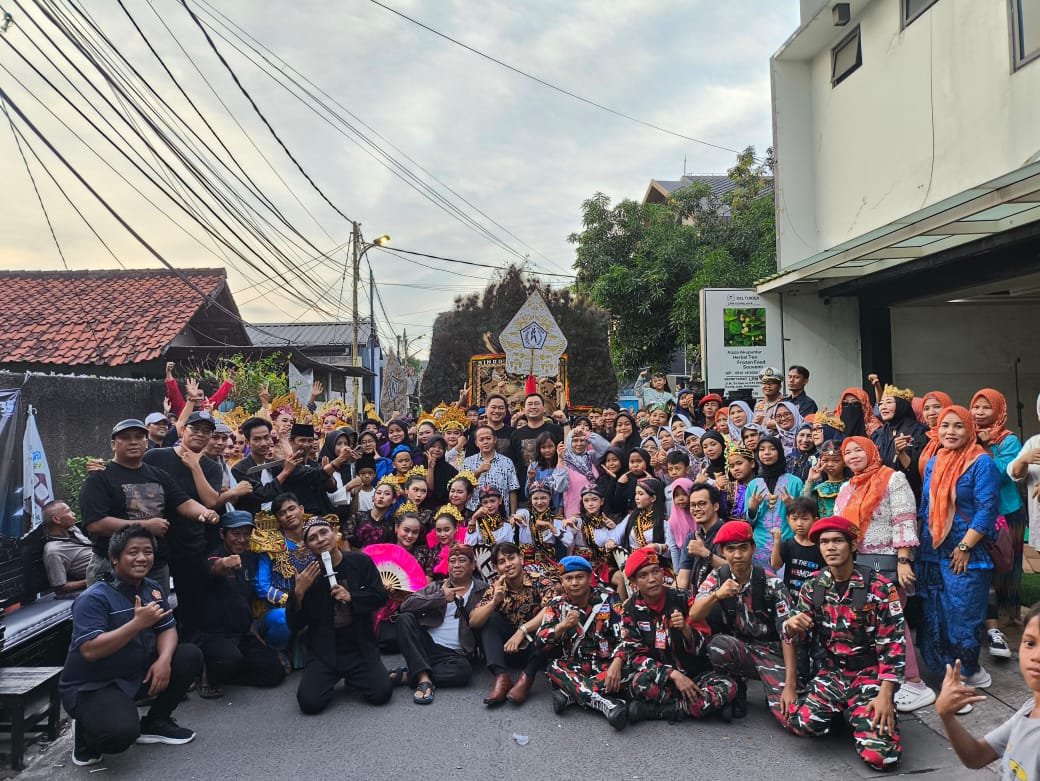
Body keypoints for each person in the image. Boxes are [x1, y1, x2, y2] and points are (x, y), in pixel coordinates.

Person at [60, 524, 202, 767]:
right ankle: (86, 732)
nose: (142, 558)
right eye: (133, 552)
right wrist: (137, 624)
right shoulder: (93, 598)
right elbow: (90, 650)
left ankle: (156, 722)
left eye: (147, 552)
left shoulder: (153, 589)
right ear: (114, 559)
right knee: (120, 736)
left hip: (135, 673)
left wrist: (164, 661)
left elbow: (166, 627)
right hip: (94, 686)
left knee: (189, 655)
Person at [784, 516, 905, 773]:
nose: (830, 547)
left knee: (882, 759)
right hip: (832, 673)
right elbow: (798, 635)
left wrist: (886, 695)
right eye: (824, 542)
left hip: (869, 675)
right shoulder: (813, 586)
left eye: (838, 541)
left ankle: (876, 716)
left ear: (852, 545)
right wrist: (792, 626)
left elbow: (894, 646)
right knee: (800, 724)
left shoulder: (879, 588)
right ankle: (845, 711)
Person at [833, 435, 933, 712]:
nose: (853, 456)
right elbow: (840, 526)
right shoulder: (847, 487)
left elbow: (904, 519)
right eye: (847, 452)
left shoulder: (892, 478)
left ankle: (915, 683)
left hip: (889, 560)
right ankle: (890, 678)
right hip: (860, 562)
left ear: (871, 451)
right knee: (875, 622)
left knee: (894, 621)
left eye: (858, 450)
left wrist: (904, 560)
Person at [79, 418, 219, 591]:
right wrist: (145, 526)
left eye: (139, 437)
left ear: (147, 442)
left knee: (158, 615)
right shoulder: (99, 478)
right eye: (126, 438)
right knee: (115, 616)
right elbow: (96, 524)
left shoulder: (158, 475)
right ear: (114, 444)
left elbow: (184, 502)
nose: (133, 442)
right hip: (112, 565)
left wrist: (205, 513)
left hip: (155, 566)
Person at [917, 405, 1000, 694]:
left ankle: (965, 675)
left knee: (962, 614)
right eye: (944, 426)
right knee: (936, 613)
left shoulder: (981, 462)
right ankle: (944, 673)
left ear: (970, 429)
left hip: (965, 553)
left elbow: (987, 509)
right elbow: (926, 507)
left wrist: (965, 546)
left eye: (958, 426)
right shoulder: (934, 460)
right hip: (933, 551)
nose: (950, 432)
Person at [690, 520, 798, 722]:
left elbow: (788, 636)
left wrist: (790, 686)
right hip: (741, 648)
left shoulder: (772, 583)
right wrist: (717, 595)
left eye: (743, 548)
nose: (737, 555)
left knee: (791, 718)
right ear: (722, 551)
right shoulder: (718, 578)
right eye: (730, 549)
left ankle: (779, 686)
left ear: (753, 548)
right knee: (718, 646)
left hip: (772, 651)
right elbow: (694, 615)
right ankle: (736, 687)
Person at [615, 546, 738, 723]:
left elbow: (705, 645)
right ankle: (699, 706)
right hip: (663, 679)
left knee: (729, 686)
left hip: (695, 674)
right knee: (637, 684)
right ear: (634, 582)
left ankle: (660, 710)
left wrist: (687, 631)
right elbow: (635, 656)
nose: (652, 579)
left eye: (655, 572)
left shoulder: (683, 598)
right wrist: (672, 674)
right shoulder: (630, 610)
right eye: (643, 576)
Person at [290, 517, 392, 714]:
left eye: (323, 533)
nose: (320, 539)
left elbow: (379, 597)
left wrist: (352, 597)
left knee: (381, 693)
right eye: (312, 538)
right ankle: (337, 677)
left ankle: (360, 677)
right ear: (308, 547)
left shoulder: (360, 561)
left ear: (334, 533)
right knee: (309, 703)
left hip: (358, 646)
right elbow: (294, 624)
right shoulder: (305, 575)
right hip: (324, 650)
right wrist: (299, 595)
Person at [143, 410, 227, 638]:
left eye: (206, 431)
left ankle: (190, 656)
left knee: (191, 608)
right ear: (183, 430)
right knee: (152, 605)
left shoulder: (211, 467)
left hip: (190, 545)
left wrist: (195, 466)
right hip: (155, 545)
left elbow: (211, 502)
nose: (201, 435)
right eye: (195, 429)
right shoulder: (156, 457)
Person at [933, 605, 1040, 778]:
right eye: (1030, 643)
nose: (1036, 656)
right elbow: (977, 756)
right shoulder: (1030, 709)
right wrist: (946, 716)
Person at [197, 511, 286, 699]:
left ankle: (227, 675)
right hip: (215, 635)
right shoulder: (213, 557)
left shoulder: (250, 559)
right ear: (222, 534)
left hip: (243, 633)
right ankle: (207, 671)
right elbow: (214, 567)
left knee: (275, 672)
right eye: (236, 534)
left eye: (246, 533)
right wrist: (225, 563)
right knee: (230, 658)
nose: (242, 539)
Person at [537, 555, 628, 729]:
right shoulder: (557, 604)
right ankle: (603, 703)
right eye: (568, 578)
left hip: (607, 664)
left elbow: (627, 636)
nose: (574, 583)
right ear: (562, 582)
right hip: (576, 665)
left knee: (630, 669)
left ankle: (570, 694)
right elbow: (540, 642)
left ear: (589, 577)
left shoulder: (609, 599)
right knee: (553, 667)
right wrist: (562, 626)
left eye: (580, 577)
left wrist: (617, 663)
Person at [396, 544, 489, 705]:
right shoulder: (438, 586)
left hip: (454, 655)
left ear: (473, 565)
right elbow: (406, 605)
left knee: (463, 673)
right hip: (427, 644)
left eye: (462, 560)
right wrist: (439, 597)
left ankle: (411, 674)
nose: (457, 565)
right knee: (404, 619)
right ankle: (424, 679)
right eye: (452, 561)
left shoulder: (483, 590)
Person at [469, 542, 554, 706]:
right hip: (508, 650)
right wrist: (494, 602)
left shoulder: (539, 580)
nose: (508, 564)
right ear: (496, 567)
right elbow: (473, 621)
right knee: (490, 618)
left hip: (535, 650)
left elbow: (552, 608)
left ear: (520, 558)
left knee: (549, 623)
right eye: (502, 562)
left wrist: (522, 630)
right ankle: (501, 677)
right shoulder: (496, 587)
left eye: (511, 558)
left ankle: (527, 678)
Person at [971, 388, 1026, 633]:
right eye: (976, 406)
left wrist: (985, 448)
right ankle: (988, 614)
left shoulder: (1008, 439)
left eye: (986, 407)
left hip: (1007, 511)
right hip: (982, 511)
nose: (980, 412)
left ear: (998, 410)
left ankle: (1011, 614)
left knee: (1009, 563)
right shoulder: (967, 434)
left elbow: (1005, 472)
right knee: (986, 565)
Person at [252, 493, 315, 655]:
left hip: (315, 600)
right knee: (282, 618)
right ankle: (276, 654)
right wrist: (293, 599)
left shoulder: (316, 537)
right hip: (280, 606)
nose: (288, 515)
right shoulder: (271, 544)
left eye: (291, 509)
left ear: (301, 509)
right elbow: (261, 585)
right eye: (282, 513)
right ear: (278, 519)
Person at [746, 436, 804, 568]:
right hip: (760, 545)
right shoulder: (753, 485)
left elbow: (806, 517)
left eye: (772, 449)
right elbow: (749, 521)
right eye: (762, 449)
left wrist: (792, 505)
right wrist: (752, 508)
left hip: (788, 543)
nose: (766, 453)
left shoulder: (795, 482)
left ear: (780, 452)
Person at [872, 385, 928, 498]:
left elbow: (919, 471)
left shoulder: (919, 431)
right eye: (881, 403)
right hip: (881, 495)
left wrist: (901, 454)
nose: (883, 407)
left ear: (901, 405)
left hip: (910, 494)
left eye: (888, 402)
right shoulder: (878, 434)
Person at [675, 482, 727, 592]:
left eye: (702, 504)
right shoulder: (692, 538)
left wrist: (704, 553)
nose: (696, 509)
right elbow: (682, 579)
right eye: (693, 505)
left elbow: (737, 570)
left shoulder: (728, 532)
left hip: (725, 598)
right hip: (698, 600)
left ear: (716, 506)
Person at [770, 497, 822, 595]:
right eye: (794, 519)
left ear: (815, 520)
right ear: (788, 520)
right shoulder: (787, 544)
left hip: (814, 598)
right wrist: (777, 542)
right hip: (792, 597)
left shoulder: (821, 546)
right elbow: (775, 565)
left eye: (805, 519)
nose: (799, 524)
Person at [463, 425, 520, 514]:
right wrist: (478, 471)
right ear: (476, 443)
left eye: (488, 438)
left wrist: (512, 515)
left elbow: (512, 490)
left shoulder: (507, 462)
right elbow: (463, 486)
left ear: (495, 440)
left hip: (501, 514)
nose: (485, 442)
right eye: (481, 439)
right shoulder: (467, 462)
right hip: (474, 513)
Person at [41, 500, 92, 595]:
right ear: (56, 519)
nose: (73, 513)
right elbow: (60, 587)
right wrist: (91, 580)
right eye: (68, 511)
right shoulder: (53, 551)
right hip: (102, 571)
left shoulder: (73, 529)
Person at [802, 439, 846, 517]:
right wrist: (810, 480)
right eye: (825, 460)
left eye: (836, 460)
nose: (830, 464)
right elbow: (804, 507)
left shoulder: (852, 484)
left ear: (845, 461)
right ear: (820, 461)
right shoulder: (818, 490)